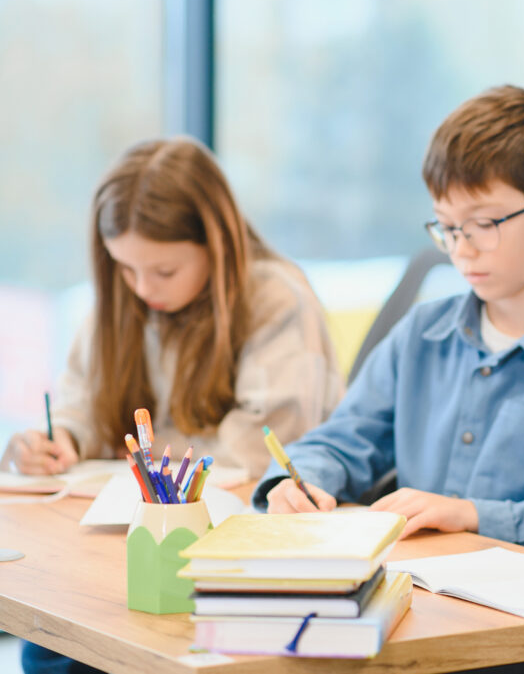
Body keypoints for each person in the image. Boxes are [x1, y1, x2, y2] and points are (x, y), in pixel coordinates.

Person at [254, 85, 524, 555]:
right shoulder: (421, 335)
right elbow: (344, 440)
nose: (461, 249)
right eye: (447, 227)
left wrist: (471, 514)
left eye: (484, 224)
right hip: (417, 584)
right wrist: (298, 480)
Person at [6, 137, 343, 478]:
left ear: (216, 245)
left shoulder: (277, 301)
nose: (142, 288)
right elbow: (83, 402)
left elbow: (259, 451)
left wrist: (142, 452)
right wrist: (64, 438)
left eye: (164, 272)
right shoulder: (123, 298)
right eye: (125, 267)